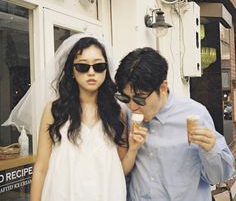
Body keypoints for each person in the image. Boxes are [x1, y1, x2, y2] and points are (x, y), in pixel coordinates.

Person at [114, 47, 235, 201]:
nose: (132, 106)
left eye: (139, 99)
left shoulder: (195, 114)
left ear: (163, 87)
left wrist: (211, 149)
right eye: (125, 98)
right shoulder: (126, 115)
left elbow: (218, 177)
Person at [30, 34, 128, 201]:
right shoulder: (54, 110)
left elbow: (121, 164)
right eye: (83, 66)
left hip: (106, 193)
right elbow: (41, 167)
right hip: (62, 193)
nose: (91, 72)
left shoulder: (116, 112)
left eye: (99, 66)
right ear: (72, 71)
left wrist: (133, 148)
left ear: (106, 70)